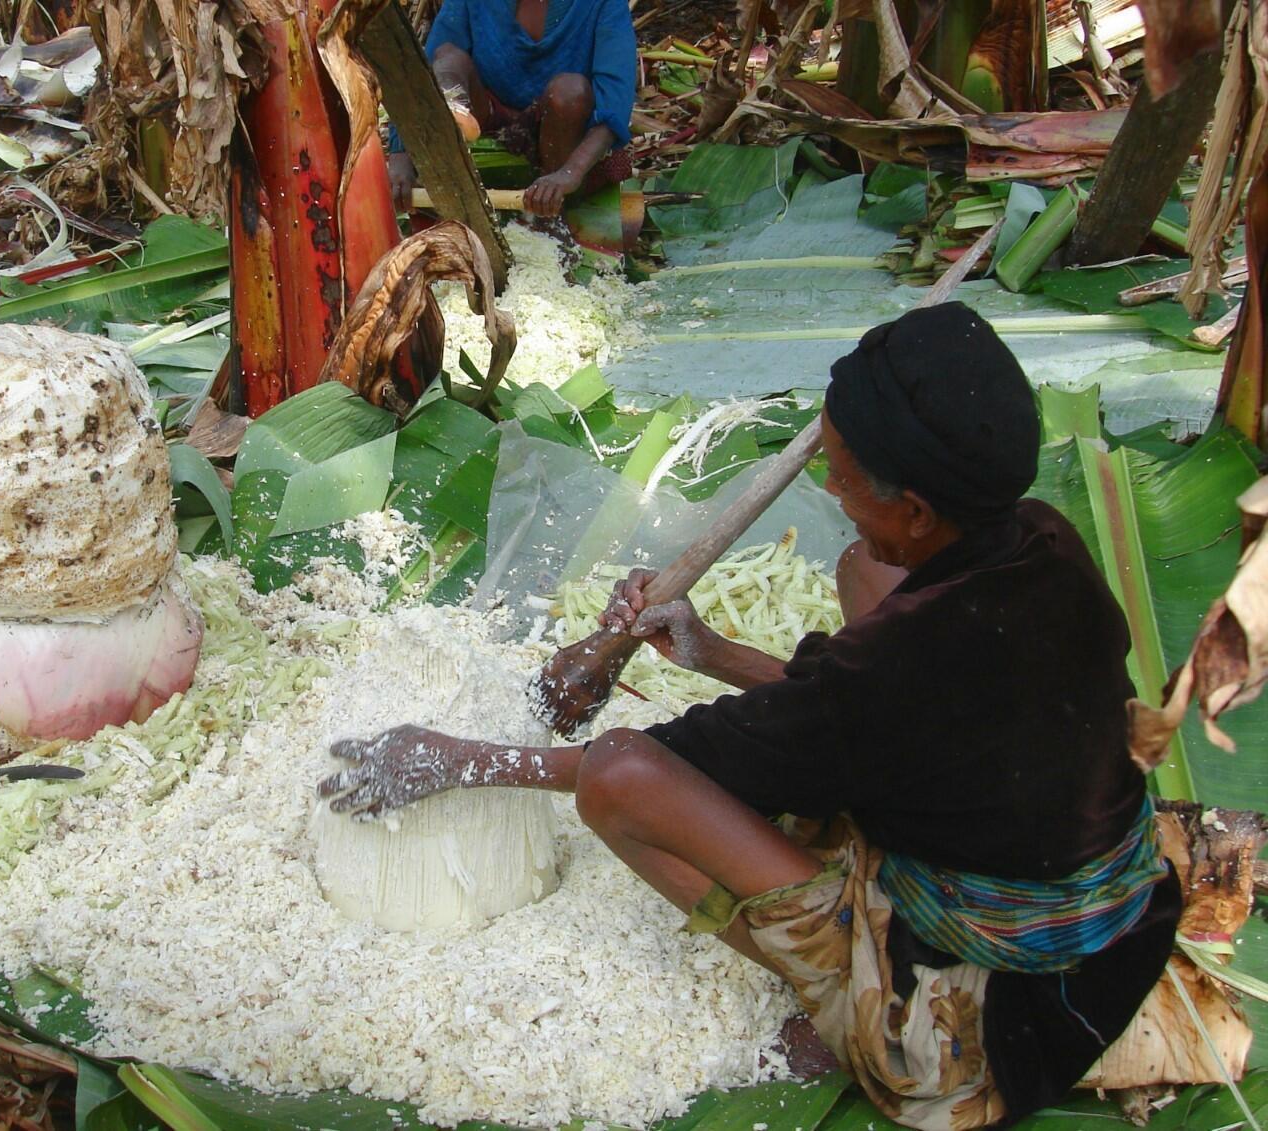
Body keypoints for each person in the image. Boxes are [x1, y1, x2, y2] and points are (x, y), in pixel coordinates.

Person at [320, 303, 1180, 1130]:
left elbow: (683, 760)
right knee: (863, 571)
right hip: (1112, 909)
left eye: (841, 475)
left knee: (619, 774)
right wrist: (710, 649)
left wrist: (461, 758)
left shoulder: (886, 679)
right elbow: (884, 714)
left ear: (916, 508)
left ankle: (846, 1005)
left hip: (995, 1019)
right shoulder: (1040, 538)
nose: (828, 486)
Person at [388, 0, 637, 217]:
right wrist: (401, 155)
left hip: (562, 137)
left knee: (570, 91)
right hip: (487, 120)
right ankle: (453, 156)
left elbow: (614, 104)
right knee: (449, 58)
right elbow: (426, 70)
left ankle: (552, 211)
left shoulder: (603, 4)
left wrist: (570, 173)